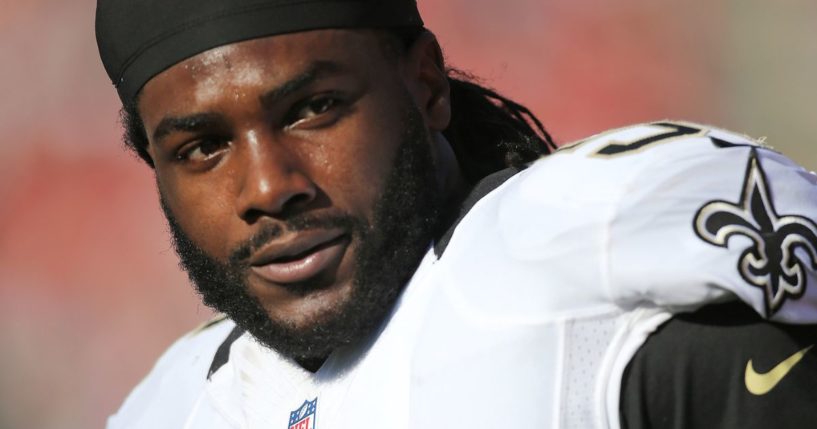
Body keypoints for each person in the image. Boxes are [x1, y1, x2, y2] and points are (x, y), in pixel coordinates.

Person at [95, 0, 817, 427]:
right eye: (203, 147)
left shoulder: (597, 270)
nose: (267, 185)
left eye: (313, 109)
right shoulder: (173, 404)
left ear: (427, 85)